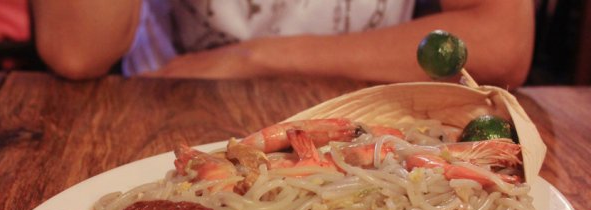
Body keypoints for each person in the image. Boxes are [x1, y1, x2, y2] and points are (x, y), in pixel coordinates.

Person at [31, 0, 535, 89]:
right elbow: (77, 49)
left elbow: (501, 41)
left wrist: (258, 58)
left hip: (366, 111)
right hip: (165, 107)